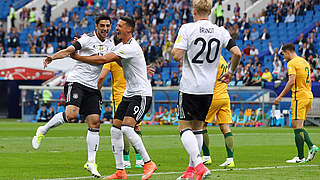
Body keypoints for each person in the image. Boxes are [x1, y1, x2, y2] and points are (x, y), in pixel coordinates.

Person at [70, 16, 157, 180]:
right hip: (129, 94)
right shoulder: (123, 46)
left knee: (127, 128)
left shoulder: (130, 47)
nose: (116, 28)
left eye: (119, 26)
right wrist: (82, 48)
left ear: (128, 30)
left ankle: (148, 162)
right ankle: (120, 171)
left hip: (141, 94)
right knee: (114, 129)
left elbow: (103, 59)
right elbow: (110, 58)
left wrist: (78, 57)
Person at [32, 15, 114, 178]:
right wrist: (52, 57)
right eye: (102, 25)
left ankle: (91, 162)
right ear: (96, 26)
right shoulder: (86, 39)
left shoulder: (111, 44)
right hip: (76, 82)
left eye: (108, 26)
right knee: (71, 115)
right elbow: (69, 51)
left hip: (92, 87)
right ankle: (43, 129)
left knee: (95, 122)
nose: (105, 29)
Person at [172, 0, 241, 179]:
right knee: (197, 129)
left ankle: (200, 165)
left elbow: (176, 55)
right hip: (208, 89)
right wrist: (231, 72)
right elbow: (237, 53)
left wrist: (177, 49)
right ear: (210, 11)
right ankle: (190, 171)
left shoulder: (187, 29)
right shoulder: (220, 31)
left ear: (194, 11)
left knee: (183, 127)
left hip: (189, 87)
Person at [97, 35, 155, 169]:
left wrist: (96, 92)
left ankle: (127, 160)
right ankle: (140, 160)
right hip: (133, 94)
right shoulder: (130, 53)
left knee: (123, 128)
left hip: (121, 96)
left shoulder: (112, 58)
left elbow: (101, 77)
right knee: (136, 127)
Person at [274, 43, 319, 163]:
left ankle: (302, 156)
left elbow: (291, 81)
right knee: (299, 126)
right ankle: (309, 149)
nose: (283, 57)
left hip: (299, 97)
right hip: (308, 96)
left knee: (296, 127)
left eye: (283, 54)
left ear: (288, 52)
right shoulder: (304, 62)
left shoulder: (291, 63)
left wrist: (280, 96)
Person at [201, 56, 235, 168]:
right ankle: (230, 160)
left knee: (201, 125)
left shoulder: (213, 60)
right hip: (225, 96)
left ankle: (206, 157)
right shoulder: (224, 60)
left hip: (214, 96)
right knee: (225, 128)